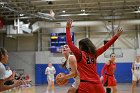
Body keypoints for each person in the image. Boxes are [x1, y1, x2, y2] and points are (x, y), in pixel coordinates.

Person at [65, 19, 123, 93]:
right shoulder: (94, 54)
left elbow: (70, 43)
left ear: (81, 46)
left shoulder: (80, 54)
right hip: (97, 84)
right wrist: (116, 36)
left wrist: (67, 28)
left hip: (85, 84)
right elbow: (106, 46)